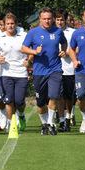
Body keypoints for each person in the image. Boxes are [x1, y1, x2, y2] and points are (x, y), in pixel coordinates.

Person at [21, 7, 67, 136]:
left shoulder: (58, 31)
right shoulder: (33, 33)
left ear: (52, 19)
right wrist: (34, 52)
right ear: (40, 19)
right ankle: (44, 124)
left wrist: (63, 50)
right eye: (44, 19)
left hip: (55, 69)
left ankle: (51, 123)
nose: (47, 21)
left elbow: (64, 42)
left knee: (54, 96)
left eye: (49, 19)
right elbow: (23, 48)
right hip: (39, 72)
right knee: (41, 103)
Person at [0, 13, 29, 132]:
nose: (10, 26)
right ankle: (11, 125)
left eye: (12, 23)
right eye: (8, 24)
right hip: (6, 73)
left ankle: (21, 115)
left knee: (19, 101)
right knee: (8, 100)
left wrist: (29, 60)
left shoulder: (23, 35)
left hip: (21, 73)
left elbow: (31, 51)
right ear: (4, 25)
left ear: (16, 24)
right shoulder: (0, 37)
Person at [55, 9, 75, 132]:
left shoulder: (73, 32)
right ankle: (62, 118)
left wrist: (68, 53)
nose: (60, 22)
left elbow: (77, 48)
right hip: (55, 69)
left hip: (69, 69)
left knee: (69, 96)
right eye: (57, 19)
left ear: (66, 20)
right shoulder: (50, 32)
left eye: (62, 19)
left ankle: (69, 116)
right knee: (58, 95)